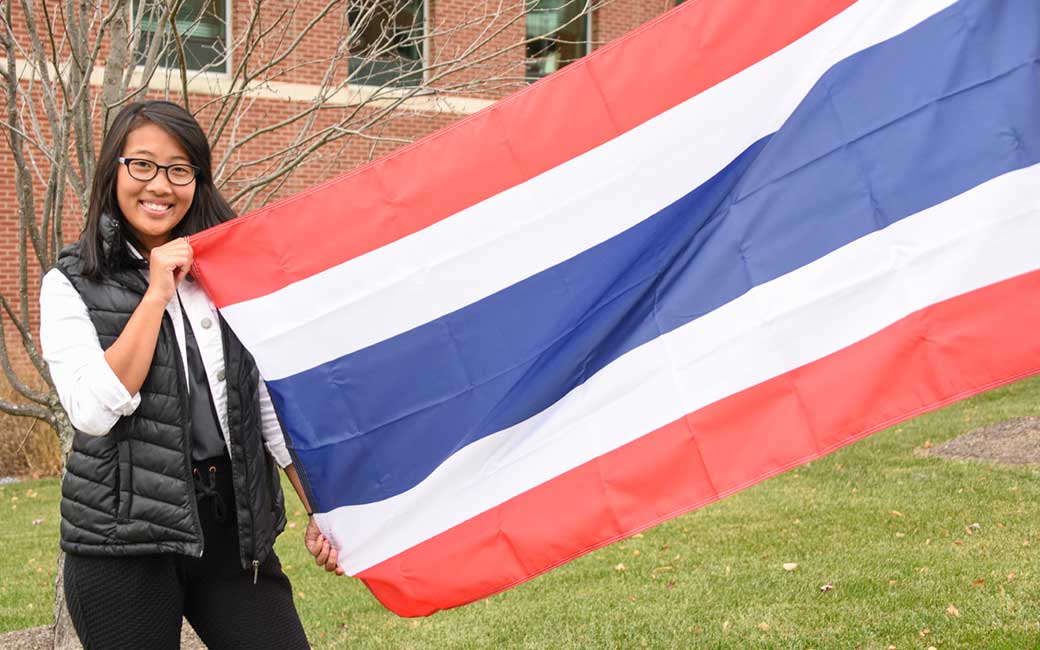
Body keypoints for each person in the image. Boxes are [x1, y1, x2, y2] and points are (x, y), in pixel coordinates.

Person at [40, 100, 342, 650]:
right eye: (143, 165)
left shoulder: (226, 274)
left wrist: (321, 509)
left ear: (196, 181)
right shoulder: (71, 283)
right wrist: (155, 293)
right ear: (114, 171)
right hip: (123, 543)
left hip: (231, 527)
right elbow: (92, 409)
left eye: (179, 169)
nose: (160, 185)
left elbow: (266, 410)